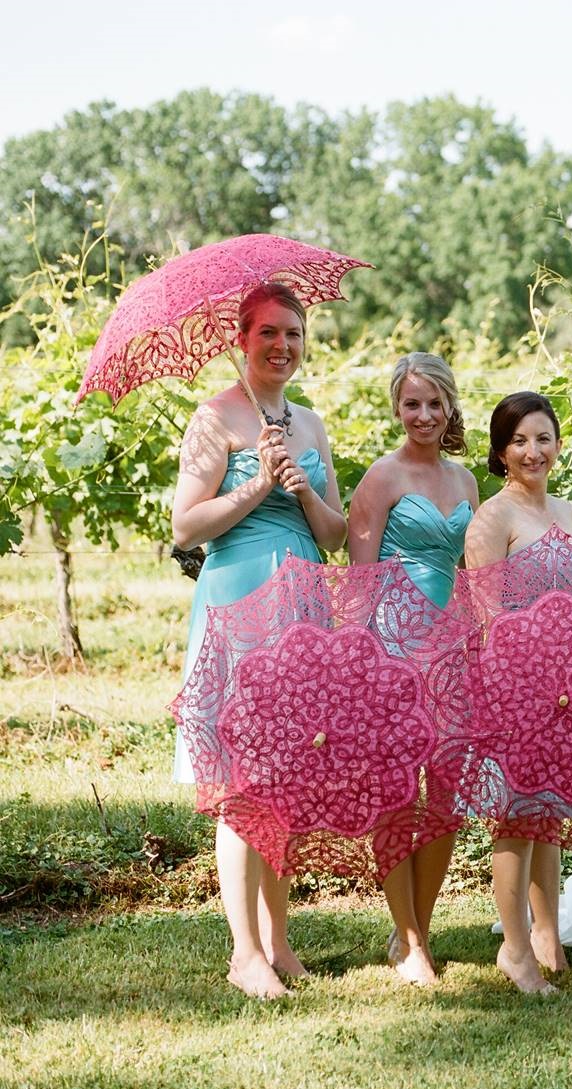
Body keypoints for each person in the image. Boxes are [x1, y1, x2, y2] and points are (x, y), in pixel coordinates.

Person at [170, 282, 347, 999]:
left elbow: (334, 534)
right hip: (240, 596)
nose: (282, 345)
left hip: (302, 597)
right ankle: (244, 951)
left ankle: (279, 939)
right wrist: (253, 487)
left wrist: (301, 487)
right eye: (269, 332)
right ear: (242, 338)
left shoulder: (309, 423)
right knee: (243, 779)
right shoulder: (215, 417)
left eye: (294, 333)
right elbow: (186, 525)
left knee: (285, 776)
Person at [347, 352, 477, 986]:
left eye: (433, 403)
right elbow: (359, 576)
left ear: (449, 406)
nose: (423, 415)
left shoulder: (465, 481)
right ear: (397, 408)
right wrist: (359, 659)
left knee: (447, 789)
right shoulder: (382, 476)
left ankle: (419, 931)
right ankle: (410, 940)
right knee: (398, 792)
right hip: (393, 644)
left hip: (450, 643)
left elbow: (469, 572)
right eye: (411, 404)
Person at [464, 391, 572, 995]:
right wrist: (520, 686)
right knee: (515, 816)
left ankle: (547, 936)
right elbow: (487, 619)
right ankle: (514, 949)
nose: (533, 452)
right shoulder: (493, 520)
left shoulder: (565, 511)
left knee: (547, 813)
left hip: (564, 681)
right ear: (501, 452)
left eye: (543, 438)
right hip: (515, 681)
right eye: (519, 442)